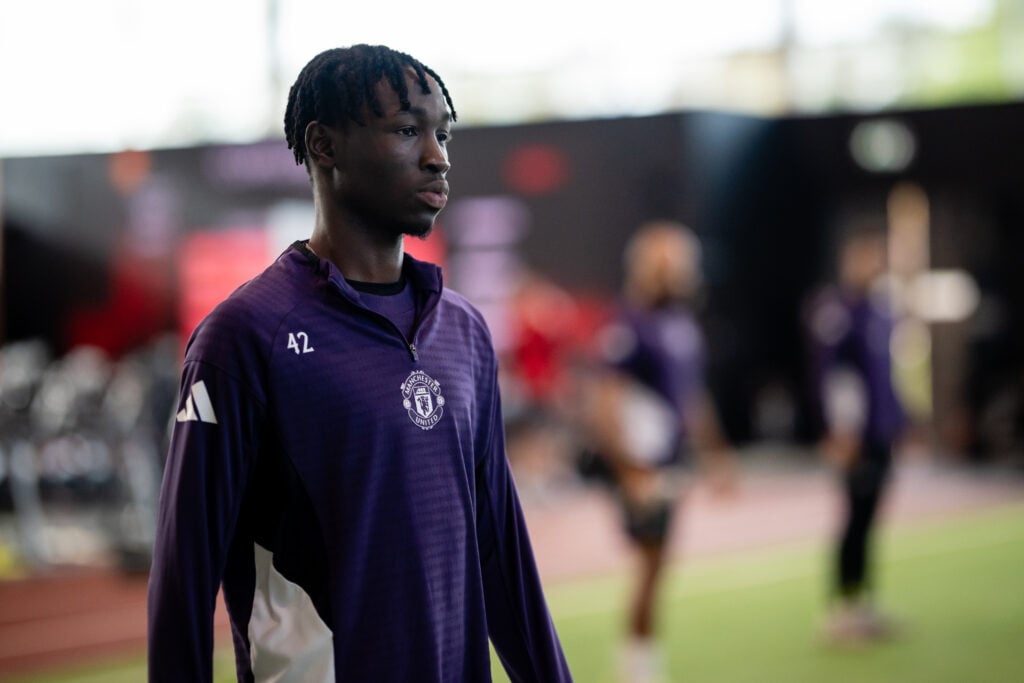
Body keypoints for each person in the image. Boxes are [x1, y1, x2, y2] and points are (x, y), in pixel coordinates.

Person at [147, 44, 572, 682]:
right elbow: (185, 576)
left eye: (442, 132)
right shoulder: (244, 337)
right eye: (406, 130)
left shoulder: (464, 331)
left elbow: (500, 551)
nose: (438, 156)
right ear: (324, 146)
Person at [577, 220, 735, 683]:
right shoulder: (630, 322)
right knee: (650, 561)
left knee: (659, 562)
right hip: (642, 461)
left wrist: (716, 454)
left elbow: (692, 398)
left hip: (670, 458)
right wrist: (630, 471)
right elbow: (606, 399)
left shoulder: (680, 323)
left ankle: (642, 658)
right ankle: (637, 664)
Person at [804, 223, 906, 644]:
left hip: (881, 431)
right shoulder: (837, 311)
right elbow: (830, 376)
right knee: (854, 517)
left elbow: (886, 375)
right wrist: (840, 432)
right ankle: (842, 607)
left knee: (870, 520)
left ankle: (864, 603)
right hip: (855, 436)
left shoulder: (882, 310)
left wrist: (901, 419)